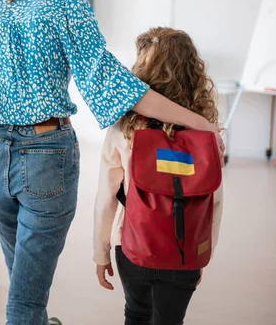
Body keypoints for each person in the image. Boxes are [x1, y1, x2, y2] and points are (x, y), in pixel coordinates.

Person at [0, 0, 224, 325]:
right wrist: (199, 123)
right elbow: (116, 86)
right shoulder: (66, 10)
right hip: (47, 158)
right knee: (26, 299)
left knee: (24, 275)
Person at [93, 27, 223, 325]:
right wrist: (202, 252)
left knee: (136, 313)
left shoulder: (123, 128)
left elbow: (105, 200)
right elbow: (214, 200)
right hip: (186, 247)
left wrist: (100, 252)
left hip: (132, 244)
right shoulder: (206, 130)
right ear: (193, 71)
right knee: (170, 320)